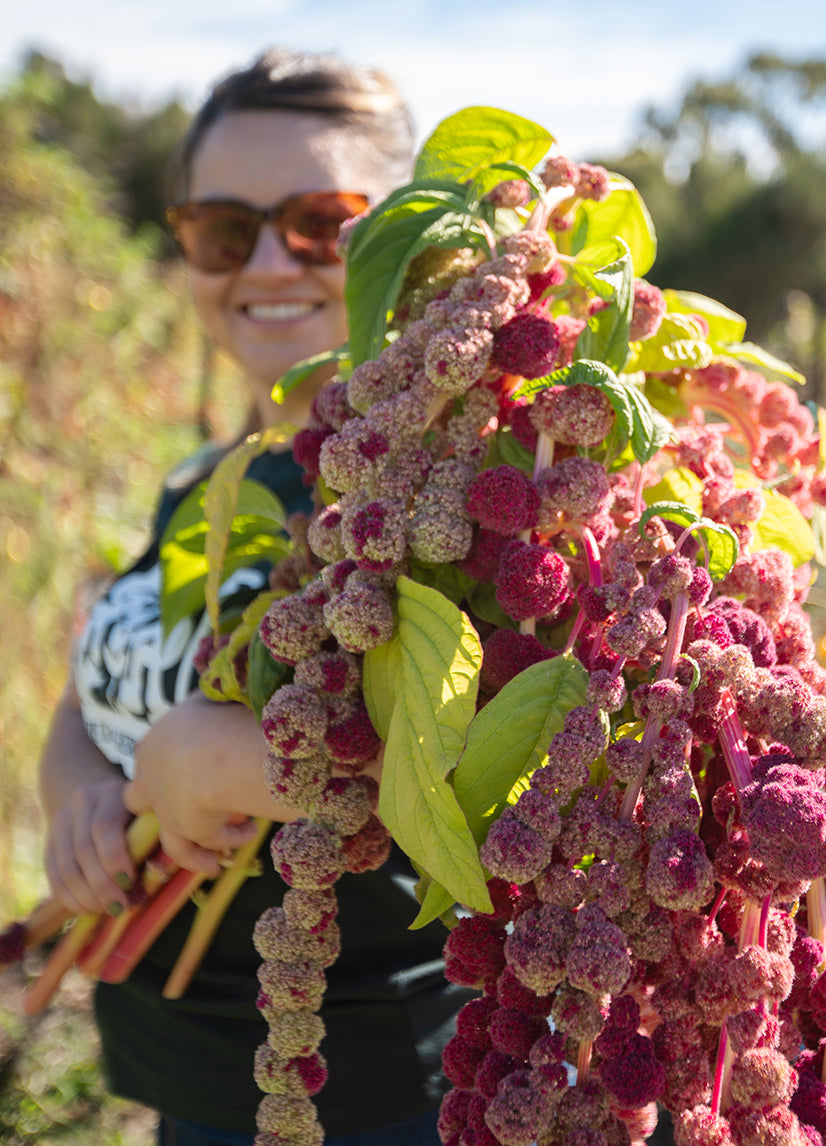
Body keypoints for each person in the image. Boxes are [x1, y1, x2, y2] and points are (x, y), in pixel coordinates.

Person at [37, 49, 468, 1146]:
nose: (271, 260)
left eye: (322, 222)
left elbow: (458, 756)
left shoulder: (435, 494)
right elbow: (94, 687)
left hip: (375, 1101)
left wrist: (211, 761)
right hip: (197, 1092)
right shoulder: (207, 481)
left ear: (407, 243)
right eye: (227, 230)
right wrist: (88, 784)